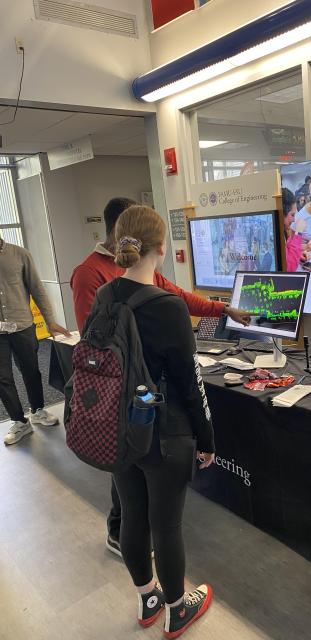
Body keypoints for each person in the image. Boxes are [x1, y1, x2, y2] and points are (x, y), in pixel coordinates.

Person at [71, 197, 250, 557]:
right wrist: (206, 436)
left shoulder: (140, 280)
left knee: (141, 504)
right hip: (121, 402)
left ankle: (145, 585)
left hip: (148, 402)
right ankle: (117, 533)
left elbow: (178, 297)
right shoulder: (90, 275)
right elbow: (91, 341)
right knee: (135, 507)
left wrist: (222, 308)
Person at [105, 204, 214, 637]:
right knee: (165, 524)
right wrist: (207, 438)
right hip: (164, 432)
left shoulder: (105, 294)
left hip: (117, 427)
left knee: (133, 514)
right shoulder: (167, 306)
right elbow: (191, 384)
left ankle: (148, 598)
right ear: (161, 248)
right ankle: (177, 608)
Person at [0, 238, 70, 445]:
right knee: (2, 378)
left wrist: (50, 321)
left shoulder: (20, 254)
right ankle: (19, 421)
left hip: (22, 326)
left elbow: (37, 289)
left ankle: (38, 410)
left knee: (30, 370)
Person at [282, 187, 311, 271]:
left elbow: (288, 253)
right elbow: (290, 268)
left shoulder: (283, 230)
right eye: (292, 215)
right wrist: (298, 233)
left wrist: (298, 255)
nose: (293, 220)